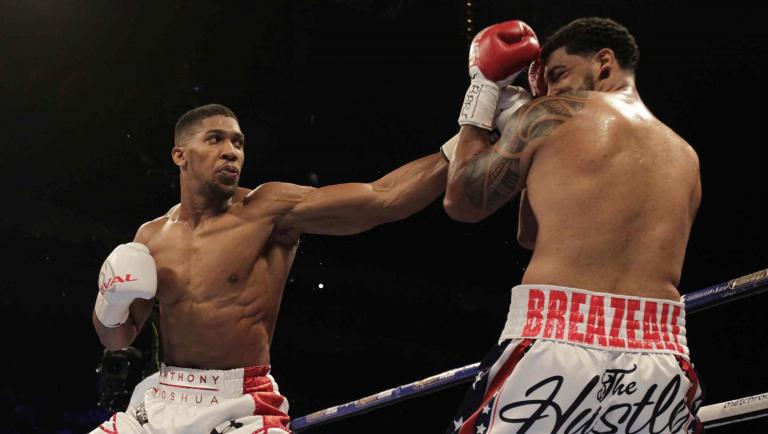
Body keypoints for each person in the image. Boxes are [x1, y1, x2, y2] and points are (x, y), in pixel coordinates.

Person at [89, 103, 448, 434]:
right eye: (215, 139)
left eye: (238, 142)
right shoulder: (150, 236)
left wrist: (457, 148)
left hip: (239, 403)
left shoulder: (267, 209)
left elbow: (383, 198)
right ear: (180, 155)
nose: (232, 151)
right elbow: (117, 338)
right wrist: (110, 303)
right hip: (163, 399)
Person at [442, 18, 704, 433]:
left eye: (558, 74)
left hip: (554, 341)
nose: (551, 91)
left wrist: (486, 91)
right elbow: (532, 234)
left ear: (604, 62)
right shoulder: (685, 155)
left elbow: (462, 201)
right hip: (661, 358)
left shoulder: (551, 115)